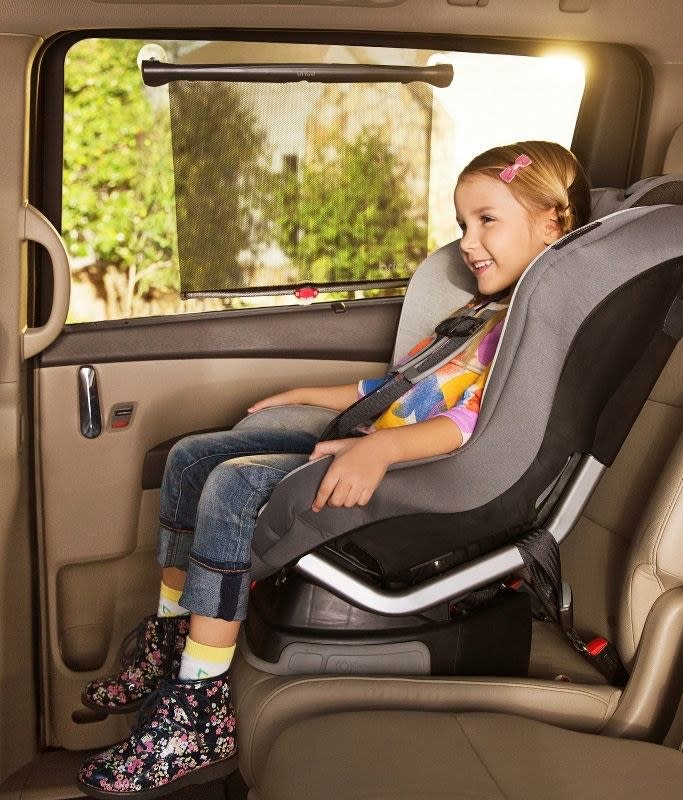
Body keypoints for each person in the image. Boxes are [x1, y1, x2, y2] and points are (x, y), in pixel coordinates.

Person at [76, 140, 591, 798]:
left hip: (423, 480)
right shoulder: (487, 309)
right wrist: (315, 395)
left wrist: (379, 449)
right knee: (189, 458)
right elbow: (410, 387)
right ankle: (174, 643)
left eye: (487, 219)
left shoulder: (537, 320)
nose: (467, 240)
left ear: (551, 220)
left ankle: (200, 708)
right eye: (462, 223)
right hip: (384, 439)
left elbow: (481, 425)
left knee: (232, 485)